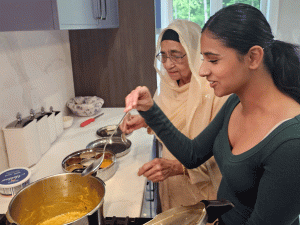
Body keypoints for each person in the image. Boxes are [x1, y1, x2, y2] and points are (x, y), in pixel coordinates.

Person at [124, 3, 300, 225]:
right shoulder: (236, 102)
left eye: (213, 60)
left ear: (253, 57)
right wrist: (149, 109)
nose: (202, 70)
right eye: (203, 58)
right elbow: (193, 154)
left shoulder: (291, 144)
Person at [120, 19, 228, 212]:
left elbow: (218, 155)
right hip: (171, 187)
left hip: (202, 194)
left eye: (177, 56)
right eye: (164, 56)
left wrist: (177, 167)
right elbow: (169, 124)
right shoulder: (169, 87)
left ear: (195, 52)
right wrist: (146, 120)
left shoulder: (213, 92)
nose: (169, 64)